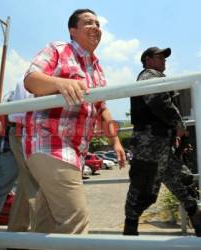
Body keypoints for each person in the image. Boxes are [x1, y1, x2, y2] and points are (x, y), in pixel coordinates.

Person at [22, 9, 125, 235]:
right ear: (73, 30)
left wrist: (116, 142)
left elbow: (102, 109)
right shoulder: (58, 49)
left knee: (44, 225)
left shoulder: (98, 69)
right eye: (88, 23)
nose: (96, 27)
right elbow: (31, 80)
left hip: (75, 152)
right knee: (75, 222)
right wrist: (60, 83)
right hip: (50, 145)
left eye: (98, 23)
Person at [123, 47, 201, 236]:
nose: (164, 60)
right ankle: (130, 231)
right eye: (159, 57)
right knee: (143, 186)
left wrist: (176, 130)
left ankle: (197, 219)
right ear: (148, 60)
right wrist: (178, 124)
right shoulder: (149, 75)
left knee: (182, 179)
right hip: (149, 143)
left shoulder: (158, 76)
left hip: (161, 142)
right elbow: (157, 100)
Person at [7, 80, 38, 232]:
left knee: (26, 185)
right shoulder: (27, 80)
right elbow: (19, 114)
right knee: (35, 183)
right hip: (24, 132)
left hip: (31, 132)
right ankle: (42, 236)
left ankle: (15, 234)